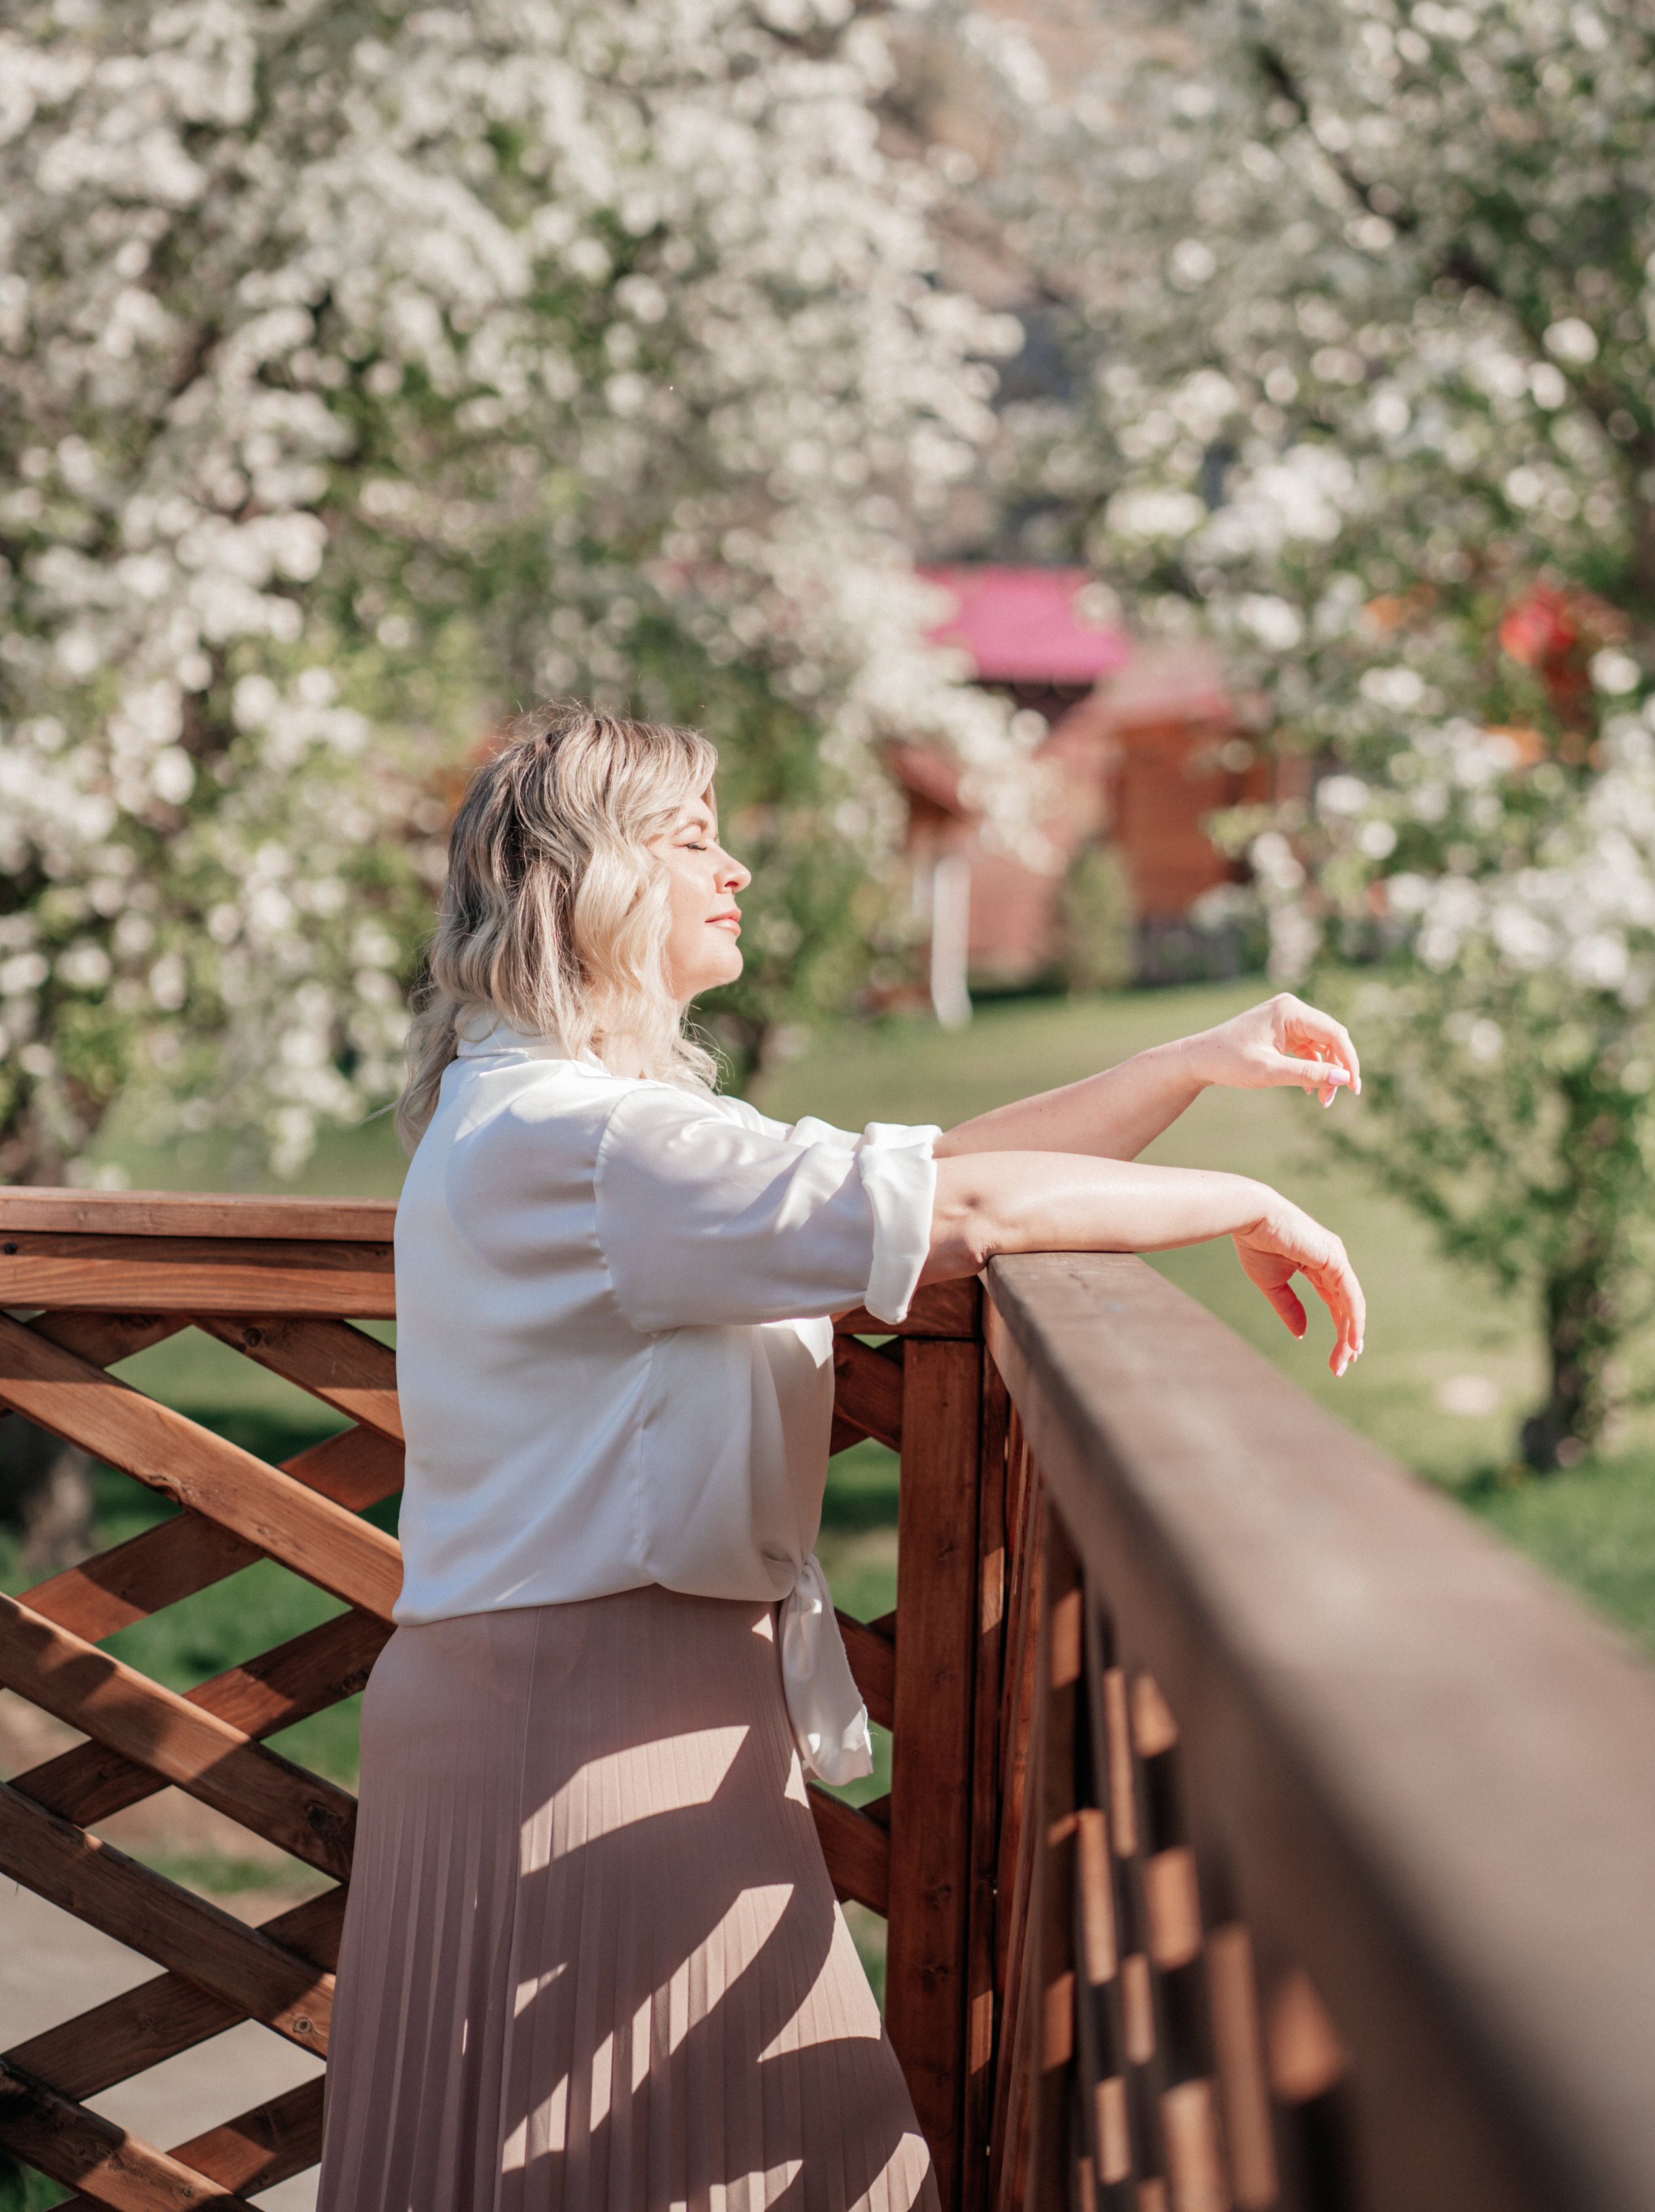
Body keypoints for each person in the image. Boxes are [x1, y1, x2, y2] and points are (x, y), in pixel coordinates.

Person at [316, 704, 1365, 2212]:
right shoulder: (596, 1146)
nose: (735, 871)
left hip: (577, 1720)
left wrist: (1187, 1062)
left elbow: (929, 1173)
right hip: (587, 1738)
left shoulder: (570, 1126)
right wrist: (1244, 1203)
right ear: (588, 881)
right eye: (691, 842)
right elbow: (967, 1222)